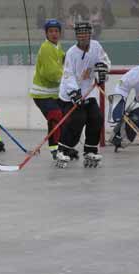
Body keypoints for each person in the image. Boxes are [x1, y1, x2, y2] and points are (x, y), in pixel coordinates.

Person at [55, 21, 110, 168]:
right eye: (80, 33)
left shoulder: (96, 46)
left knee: (96, 117)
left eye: (86, 32)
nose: (83, 36)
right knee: (78, 119)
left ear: (90, 33)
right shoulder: (71, 53)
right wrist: (74, 92)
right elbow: (68, 75)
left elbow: (104, 61)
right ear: (77, 35)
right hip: (70, 95)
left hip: (88, 92)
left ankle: (90, 150)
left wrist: (103, 70)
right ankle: (63, 149)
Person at [30, 19, 65, 160]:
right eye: (51, 31)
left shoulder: (57, 46)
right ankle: (55, 149)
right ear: (46, 33)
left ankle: (63, 148)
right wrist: (68, 80)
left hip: (54, 93)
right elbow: (51, 73)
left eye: (56, 31)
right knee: (55, 115)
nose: (54, 34)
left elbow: (63, 61)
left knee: (65, 118)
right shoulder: (46, 48)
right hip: (42, 94)